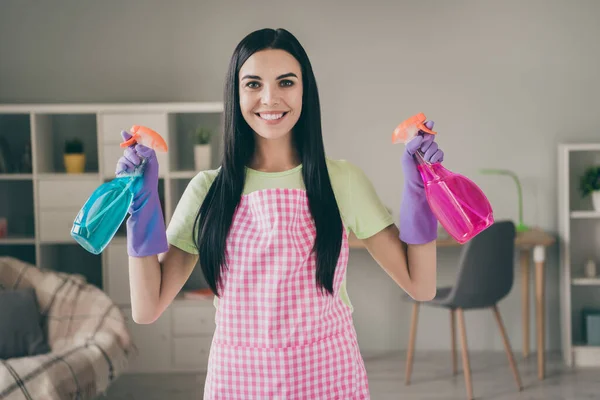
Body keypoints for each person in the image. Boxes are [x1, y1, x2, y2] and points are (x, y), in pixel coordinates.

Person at [117, 28, 444, 399]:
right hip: (238, 380)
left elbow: (421, 285)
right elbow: (146, 308)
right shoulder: (208, 190)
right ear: (236, 94)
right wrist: (141, 205)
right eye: (253, 84)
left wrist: (420, 190)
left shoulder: (342, 180)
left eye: (285, 82)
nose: (269, 98)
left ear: (305, 91)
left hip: (327, 375)